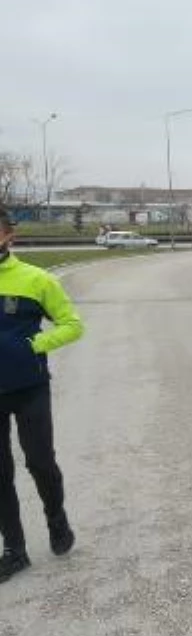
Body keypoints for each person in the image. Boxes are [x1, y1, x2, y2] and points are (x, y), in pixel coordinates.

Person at [0, 207, 85, 583]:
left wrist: (35, 344)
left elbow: (72, 325)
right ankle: (14, 550)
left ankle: (56, 518)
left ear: (7, 235)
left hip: (30, 387)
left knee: (40, 463)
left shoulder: (36, 279)